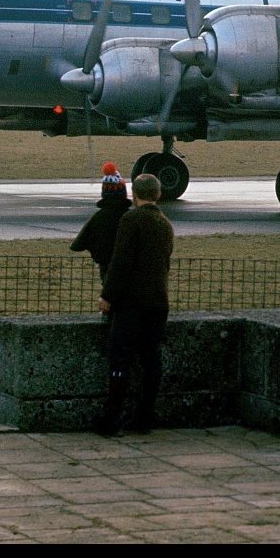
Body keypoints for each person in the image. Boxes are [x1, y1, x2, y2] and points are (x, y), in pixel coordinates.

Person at [96, 171, 174, 436]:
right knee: (151, 360)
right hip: (158, 303)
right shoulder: (165, 223)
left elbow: (120, 263)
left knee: (121, 360)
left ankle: (112, 420)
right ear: (159, 194)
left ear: (134, 194)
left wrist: (108, 296)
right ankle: (144, 419)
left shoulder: (131, 220)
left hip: (131, 304)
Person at [70, 162, 130, 283]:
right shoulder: (130, 217)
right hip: (129, 268)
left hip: (106, 265)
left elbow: (79, 243)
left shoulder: (99, 217)